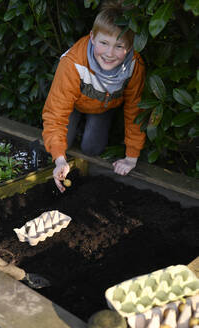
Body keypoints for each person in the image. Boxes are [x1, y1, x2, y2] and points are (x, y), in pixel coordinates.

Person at [42, 0, 146, 193]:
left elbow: (135, 110)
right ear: (92, 37)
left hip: (104, 107)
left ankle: (92, 124)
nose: (109, 53)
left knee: (92, 149)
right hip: (73, 104)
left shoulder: (135, 65)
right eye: (104, 43)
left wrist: (131, 157)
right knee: (60, 144)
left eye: (119, 46)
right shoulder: (72, 63)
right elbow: (56, 112)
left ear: (130, 46)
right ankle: (75, 126)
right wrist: (60, 160)